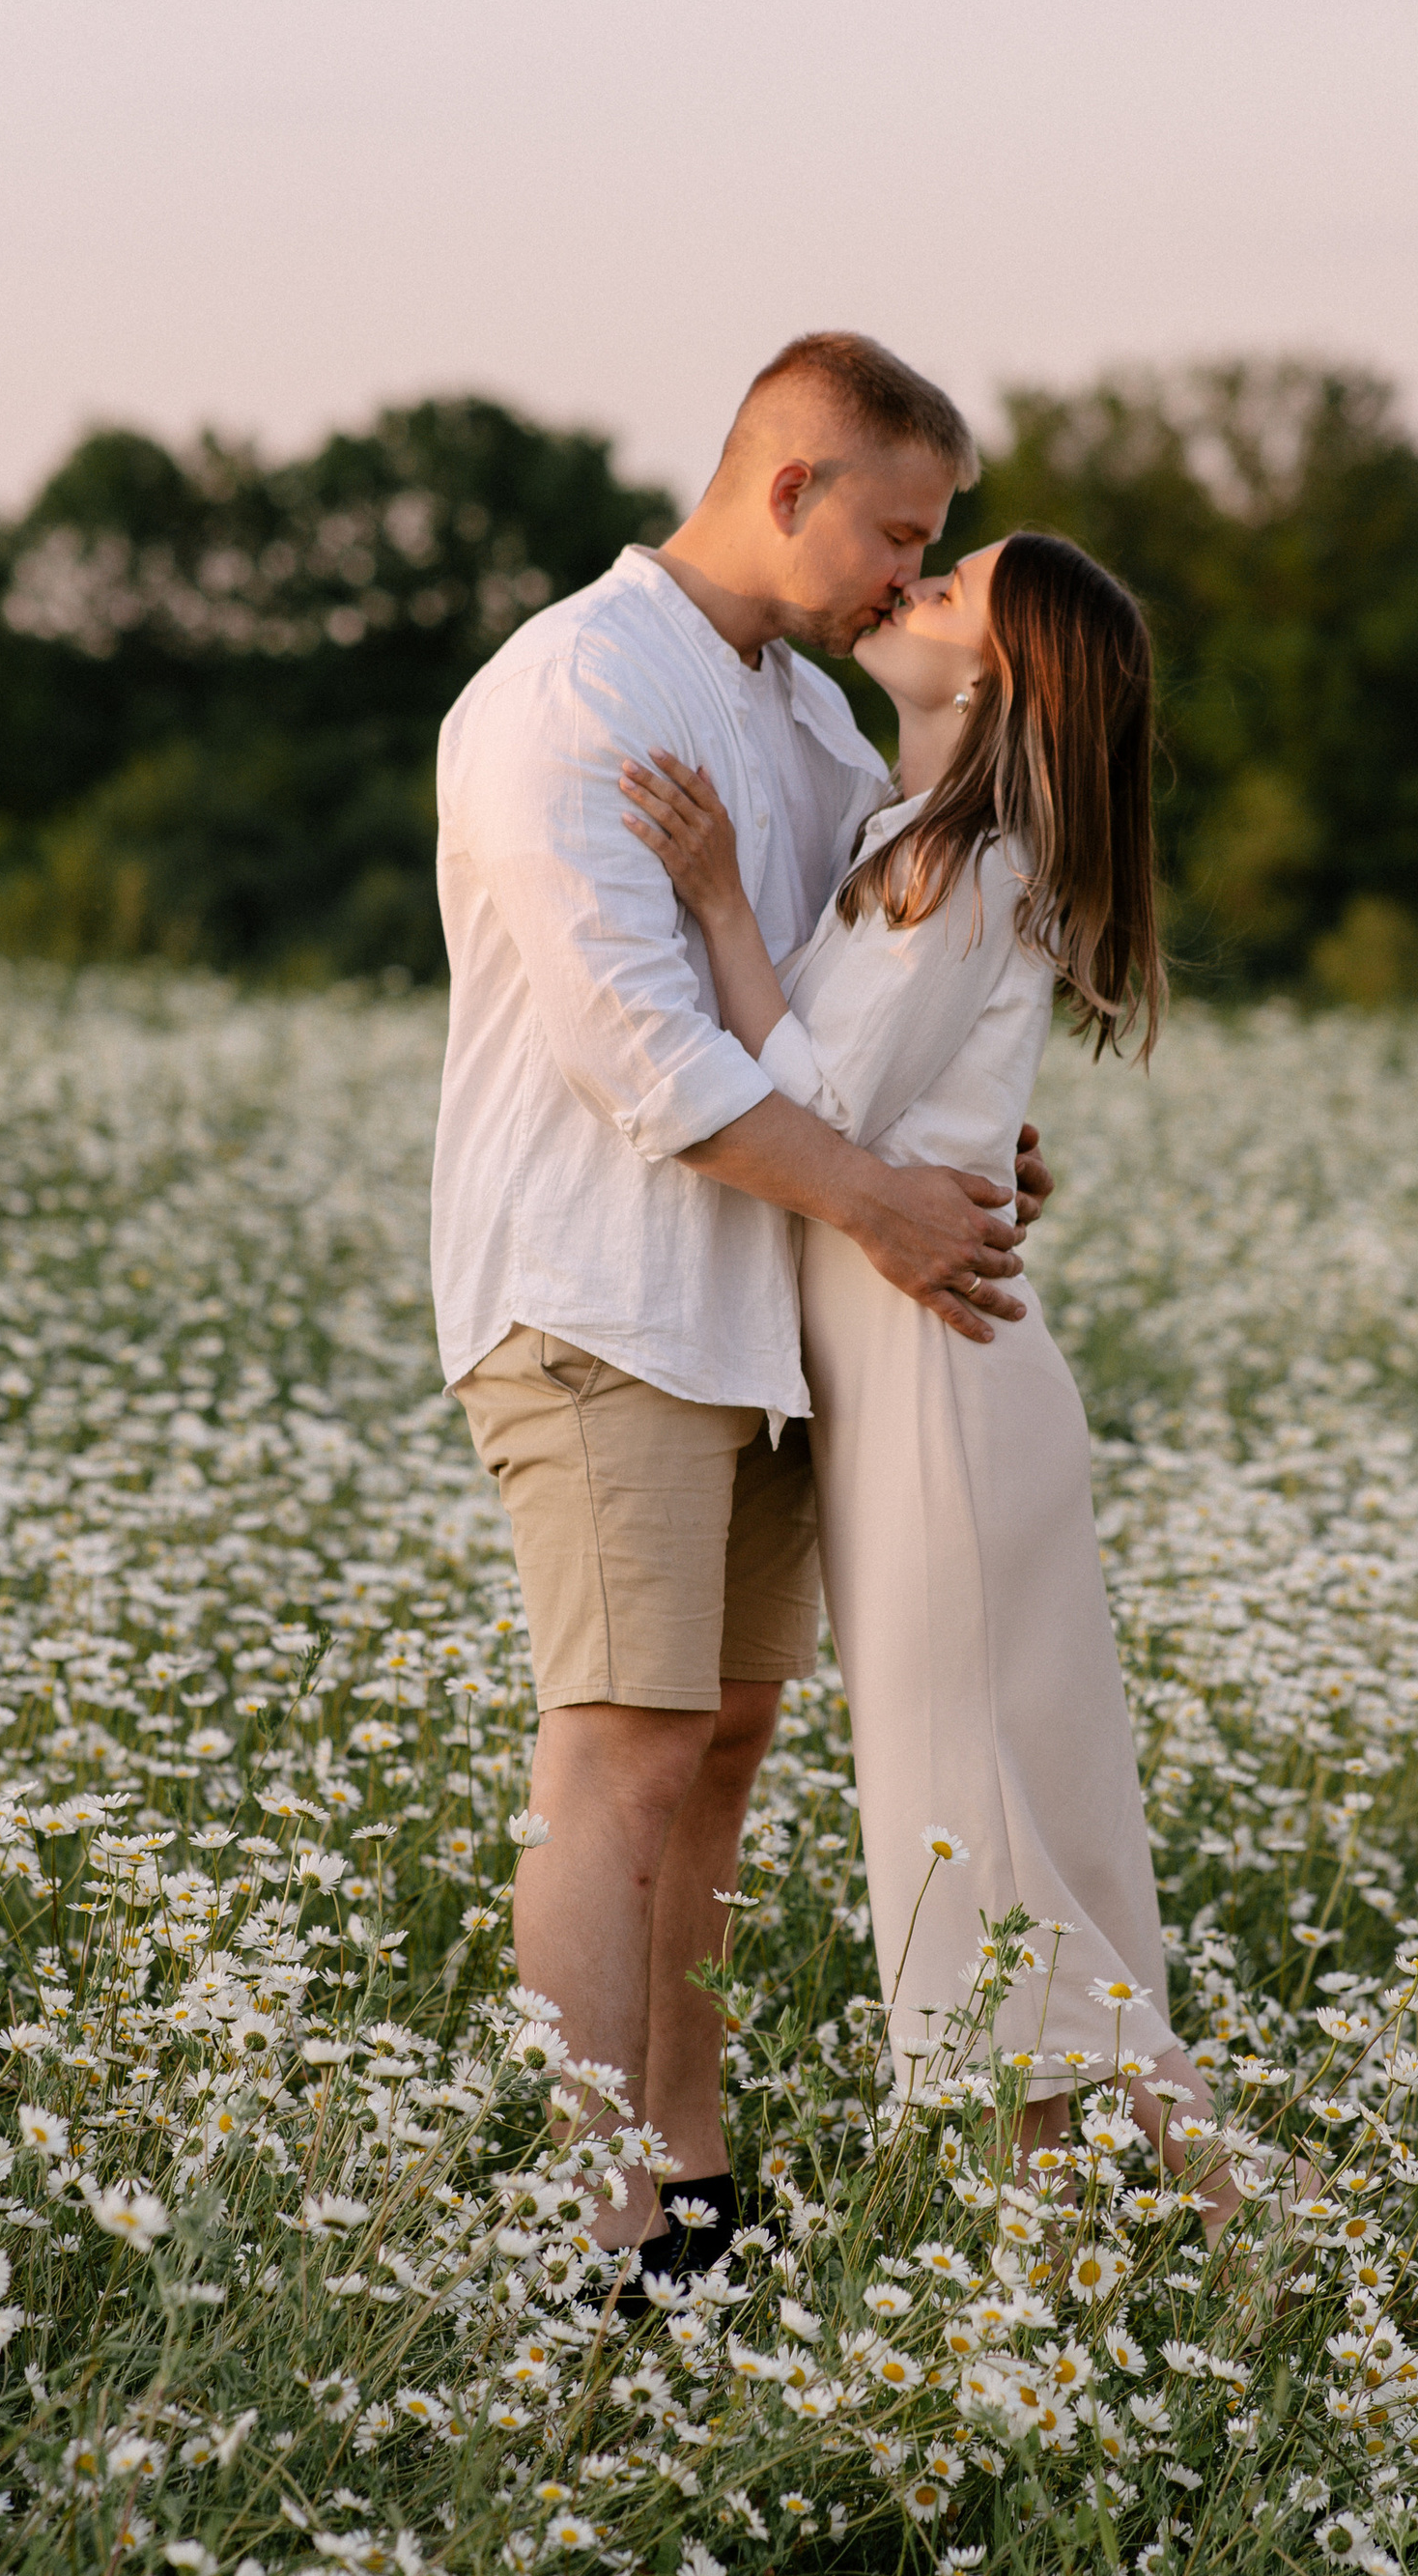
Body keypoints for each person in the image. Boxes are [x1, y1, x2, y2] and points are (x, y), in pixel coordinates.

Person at [430, 333, 1054, 2291]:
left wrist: (959, 1156)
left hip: (777, 1314)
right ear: (788, 487)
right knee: (614, 1757)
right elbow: (643, 1059)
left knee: (716, 1759)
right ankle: (592, 2224)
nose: (904, 575)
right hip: (603, 1299)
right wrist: (880, 1201)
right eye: (896, 532)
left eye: (928, 544)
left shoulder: (807, 730)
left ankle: (691, 2185)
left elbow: (838, 1024)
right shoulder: (570, 689)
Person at [618, 530, 1268, 2253]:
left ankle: (1233, 2241)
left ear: (992, 676)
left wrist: (711, 906)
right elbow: (905, 1116)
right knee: (997, 1823)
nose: (907, 593)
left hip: (935, 1391)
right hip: (938, 1378)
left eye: (945, 588)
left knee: (971, 1823)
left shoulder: (962, 861)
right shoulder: (931, 846)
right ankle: (1088, 2263)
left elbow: (810, 1095)